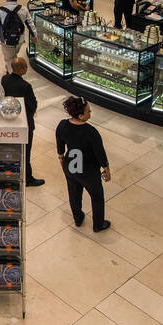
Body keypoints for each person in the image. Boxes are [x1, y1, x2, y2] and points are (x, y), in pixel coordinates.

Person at [55, 95, 111, 232]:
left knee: (74, 194)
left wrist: (61, 158)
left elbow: (60, 145)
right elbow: (100, 153)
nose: (90, 114)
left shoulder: (62, 125)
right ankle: (98, 224)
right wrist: (106, 168)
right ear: (80, 116)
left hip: (70, 167)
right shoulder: (91, 132)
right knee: (97, 197)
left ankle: (78, 218)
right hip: (88, 171)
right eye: (88, 112)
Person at [2, 57, 43, 186]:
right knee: (26, 151)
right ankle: (28, 178)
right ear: (21, 69)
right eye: (25, 66)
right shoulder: (25, 86)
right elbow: (32, 103)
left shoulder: (4, 79)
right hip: (24, 123)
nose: (27, 68)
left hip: (8, 119)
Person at [0, 0, 34, 72]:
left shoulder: (0, 11)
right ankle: (9, 68)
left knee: (10, 59)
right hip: (20, 38)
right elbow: (30, 23)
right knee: (13, 54)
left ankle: (12, 76)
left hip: (6, 39)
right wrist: (34, 35)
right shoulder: (23, 9)